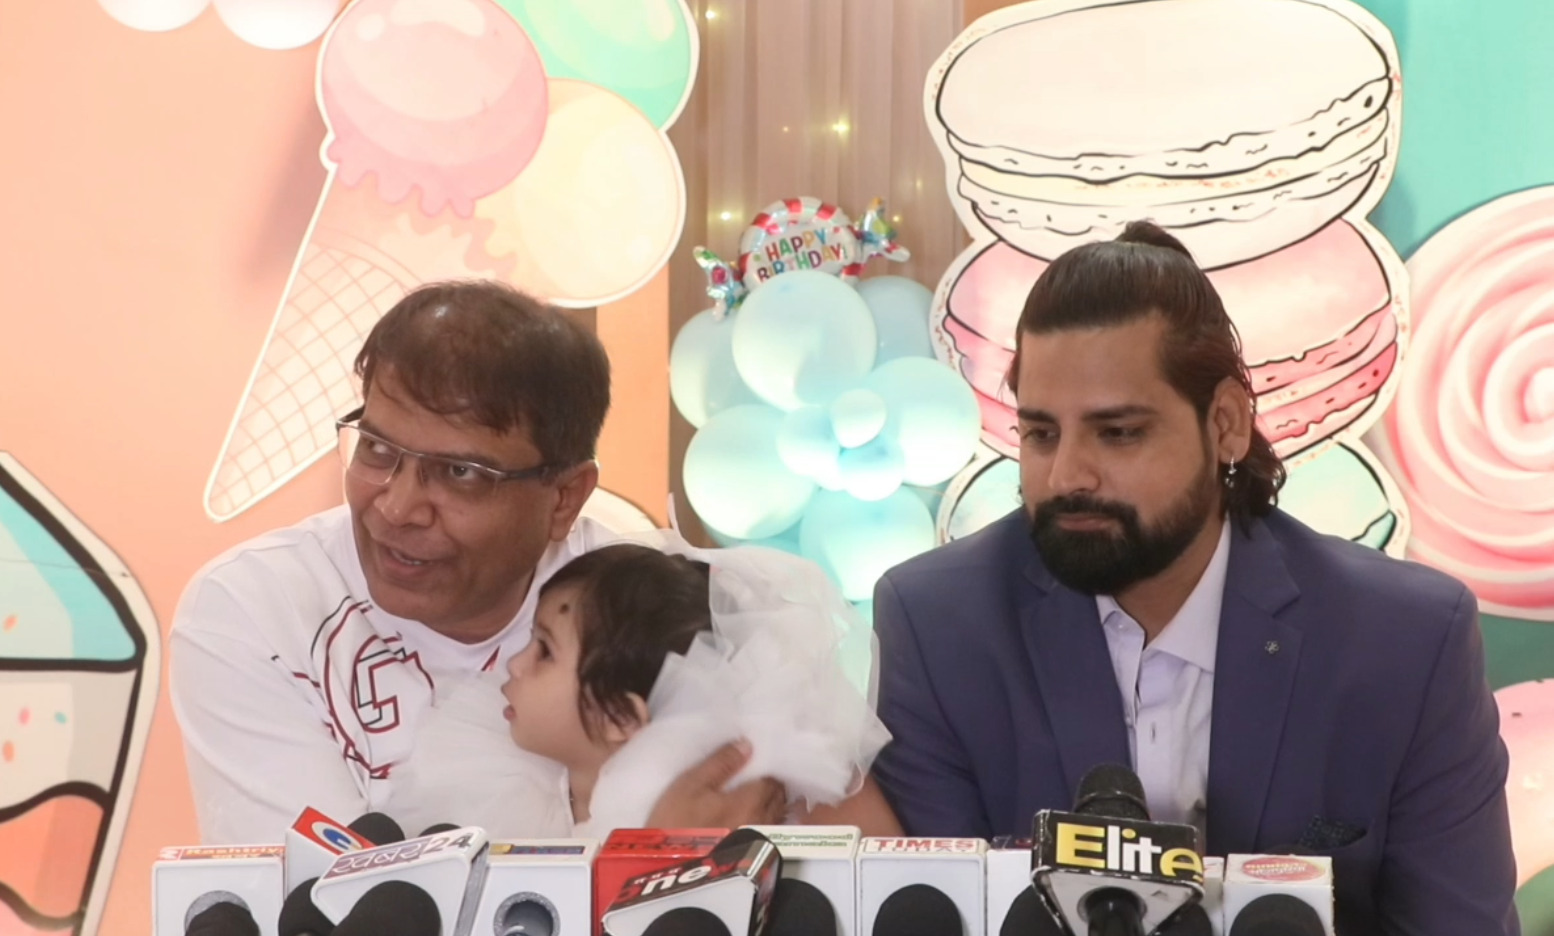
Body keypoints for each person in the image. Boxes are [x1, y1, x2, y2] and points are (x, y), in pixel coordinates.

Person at [870, 222, 1517, 935]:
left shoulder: (1406, 642)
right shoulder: (938, 625)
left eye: (1119, 432)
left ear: (1227, 424)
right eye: (1041, 433)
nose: (1067, 476)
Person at [171, 281, 784, 843]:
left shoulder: (660, 614)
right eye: (377, 449)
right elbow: (330, 901)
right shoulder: (253, 608)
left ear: (564, 498)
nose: (398, 506)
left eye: (460, 473)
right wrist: (650, 854)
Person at [397, 538, 899, 837]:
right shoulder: (489, 778)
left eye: (545, 651)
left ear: (622, 717)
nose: (514, 664)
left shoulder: (738, 804)